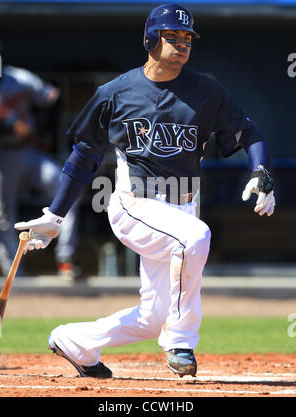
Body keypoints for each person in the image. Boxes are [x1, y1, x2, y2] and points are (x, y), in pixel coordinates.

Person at [14, 3, 275, 379]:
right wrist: (55, 216)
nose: (182, 44)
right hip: (134, 204)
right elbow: (85, 156)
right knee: (195, 238)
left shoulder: (207, 92)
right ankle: (181, 342)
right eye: (172, 36)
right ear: (150, 39)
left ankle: (74, 341)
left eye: (187, 38)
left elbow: (249, 133)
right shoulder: (115, 93)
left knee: (152, 318)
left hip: (182, 206)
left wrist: (261, 170)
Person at [0, 37, 79, 280]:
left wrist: (47, 137)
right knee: (2, 220)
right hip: (0, 159)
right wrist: (8, 130)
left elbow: (53, 99)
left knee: (68, 190)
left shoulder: (18, 78)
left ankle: (66, 260)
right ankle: (16, 277)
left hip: (29, 152)